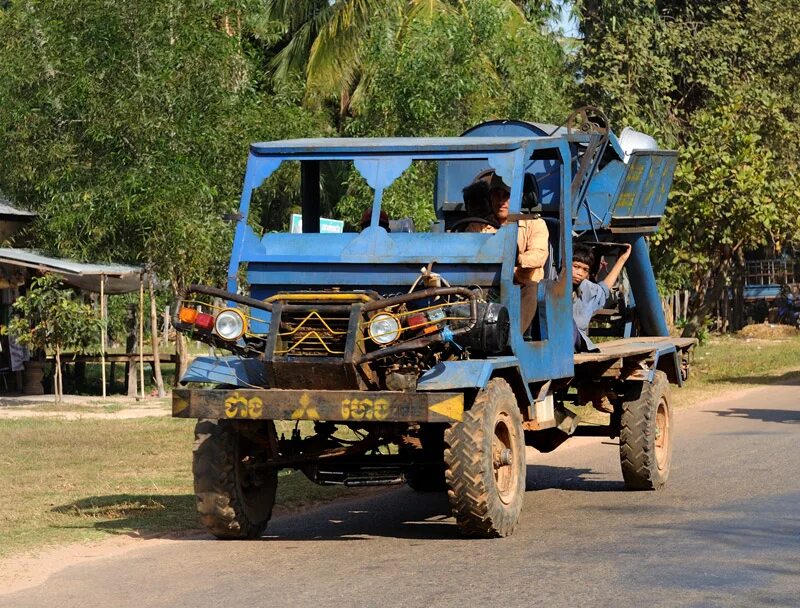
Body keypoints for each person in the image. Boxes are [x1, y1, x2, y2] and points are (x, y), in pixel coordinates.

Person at [466, 174, 549, 335]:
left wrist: (516, 259)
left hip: (521, 285)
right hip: (486, 283)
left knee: (532, 289)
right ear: (490, 198)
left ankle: (511, 339)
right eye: (496, 194)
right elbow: (468, 252)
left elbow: (539, 255)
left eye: (507, 195)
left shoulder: (535, 224)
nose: (501, 200)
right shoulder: (478, 226)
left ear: (518, 197)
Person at [572, 242, 632, 352]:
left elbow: (603, 289)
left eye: (585, 269)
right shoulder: (554, 284)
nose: (580, 273)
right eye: (576, 267)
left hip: (576, 344)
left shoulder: (587, 289)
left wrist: (622, 260)